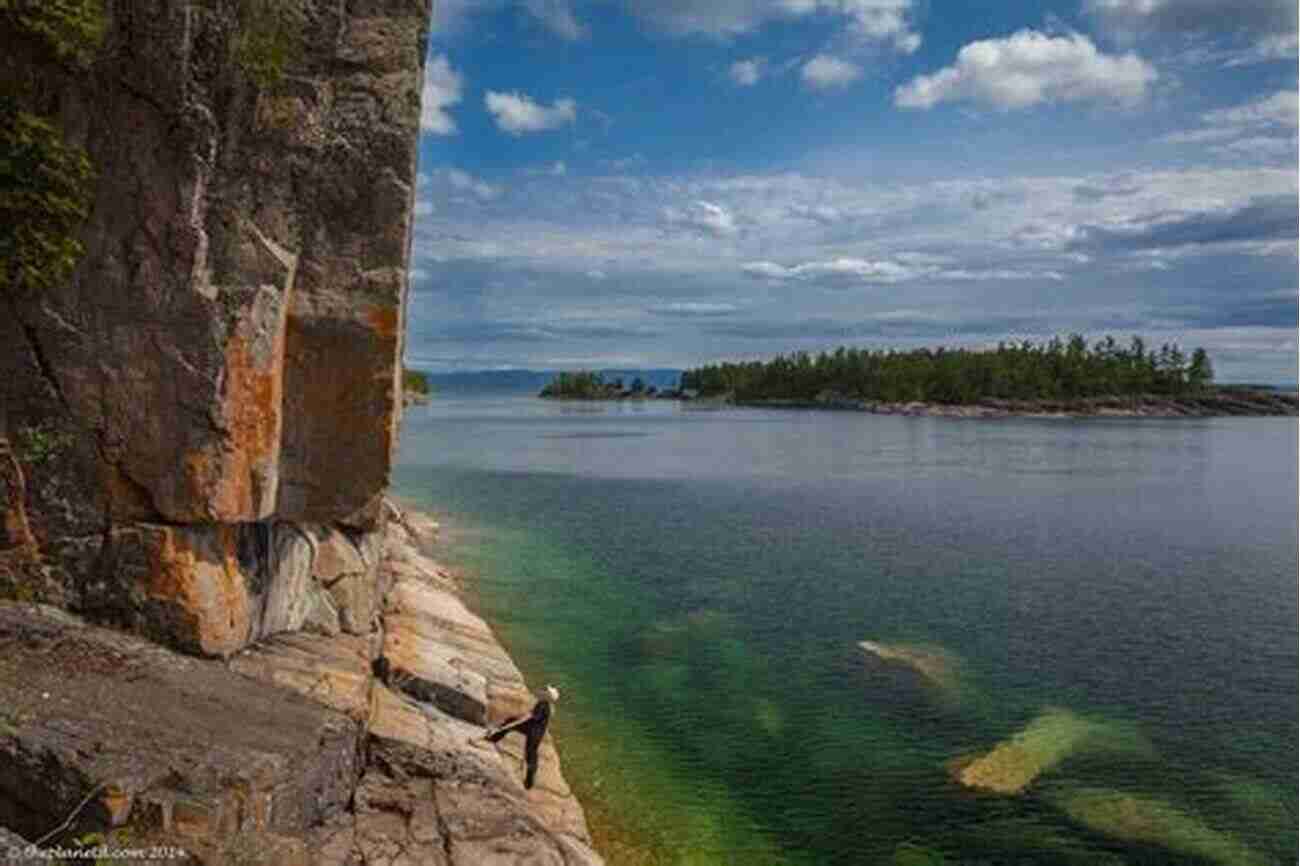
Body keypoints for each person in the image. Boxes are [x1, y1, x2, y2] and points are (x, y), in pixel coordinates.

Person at [481, 684, 559, 789]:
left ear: (546, 696)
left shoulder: (544, 705)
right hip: (532, 728)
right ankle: (494, 738)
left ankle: (529, 782)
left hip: (534, 732)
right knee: (511, 722)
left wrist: (519, 721)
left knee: (530, 754)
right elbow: (532, 716)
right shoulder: (544, 703)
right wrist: (518, 721)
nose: (541, 691)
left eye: (544, 691)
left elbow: (532, 717)